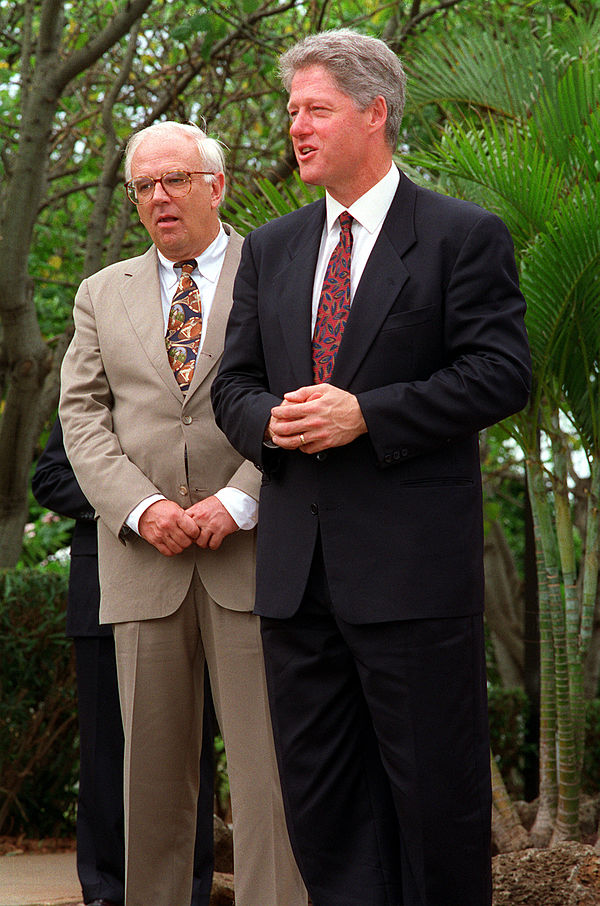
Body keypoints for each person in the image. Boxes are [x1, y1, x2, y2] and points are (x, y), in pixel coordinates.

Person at [211, 29, 532, 906]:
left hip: (412, 580)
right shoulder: (272, 248)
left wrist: (369, 414)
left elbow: (502, 373)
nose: (297, 129)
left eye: (314, 110)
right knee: (326, 813)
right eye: (290, 113)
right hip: (295, 584)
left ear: (374, 111)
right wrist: (271, 426)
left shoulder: (461, 237)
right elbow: (232, 383)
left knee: (436, 809)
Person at [59, 121, 305, 906]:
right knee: (151, 789)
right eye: (143, 186)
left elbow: (298, 394)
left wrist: (242, 497)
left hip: (255, 558)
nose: (158, 198)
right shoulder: (101, 292)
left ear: (216, 185)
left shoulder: (281, 268)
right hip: (145, 563)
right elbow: (82, 418)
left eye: (175, 180)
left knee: (272, 779)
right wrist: (139, 507)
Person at [32, 416, 216, 906]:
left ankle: (193, 891)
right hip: (104, 599)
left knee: (191, 749)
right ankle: (106, 891)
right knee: (105, 754)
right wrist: (132, 506)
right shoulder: (96, 384)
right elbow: (51, 477)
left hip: (205, 579)